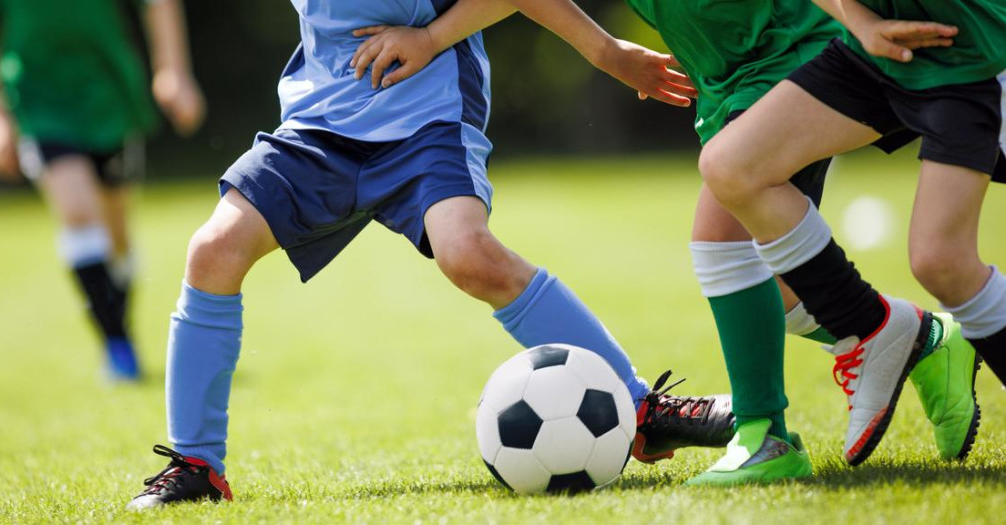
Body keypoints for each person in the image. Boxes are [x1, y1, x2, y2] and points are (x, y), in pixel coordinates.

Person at [344, 0, 980, 485]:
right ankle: (915, 336)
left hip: (797, 52)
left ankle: (766, 437)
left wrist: (858, 19)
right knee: (779, 294)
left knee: (719, 239)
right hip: (726, 75)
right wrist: (605, 53)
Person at [126, 0, 732, 509]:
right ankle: (197, 467)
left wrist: (602, 52)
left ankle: (641, 408)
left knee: (470, 255)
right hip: (318, 128)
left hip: (428, 119)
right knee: (213, 250)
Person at [698, 0, 1003, 467]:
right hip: (870, 51)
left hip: (968, 51)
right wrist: (860, 21)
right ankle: (872, 327)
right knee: (732, 165)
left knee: (942, 262)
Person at [0, 0, 205, 381]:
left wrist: (173, 70)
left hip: (110, 95)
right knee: (78, 212)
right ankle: (117, 346)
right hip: (38, 104)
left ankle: (118, 328)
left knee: (116, 233)